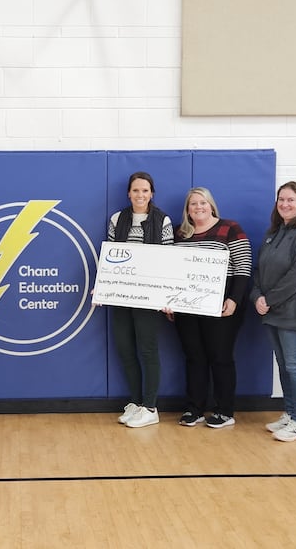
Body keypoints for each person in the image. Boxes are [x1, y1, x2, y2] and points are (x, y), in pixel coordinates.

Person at [168, 187, 251, 429]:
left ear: (211, 205)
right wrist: (169, 301)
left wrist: (234, 299)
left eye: (202, 202)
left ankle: (224, 411)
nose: (198, 207)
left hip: (221, 303)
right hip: (186, 305)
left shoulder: (230, 228)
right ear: (187, 210)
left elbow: (243, 267)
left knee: (220, 356)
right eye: (193, 204)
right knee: (194, 357)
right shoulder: (180, 234)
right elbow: (169, 270)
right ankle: (194, 409)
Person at [250, 182, 296, 442]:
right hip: (274, 312)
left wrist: (269, 299)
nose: (285, 204)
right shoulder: (274, 232)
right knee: (284, 366)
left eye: (291, 200)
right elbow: (259, 270)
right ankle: (290, 413)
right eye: (281, 199)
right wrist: (257, 296)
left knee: (295, 366)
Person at [107, 171, 173, 428]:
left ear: (151, 193)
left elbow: (168, 261)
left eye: (145, 190)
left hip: (149, 297)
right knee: (125, 348)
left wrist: (166, 296)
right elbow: (111, 257)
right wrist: (104, 288)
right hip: (122, 295)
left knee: (147, 349)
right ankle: (135, 403)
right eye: (136, 190)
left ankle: (150, 407)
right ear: (128, 193)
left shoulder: (162, 220)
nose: (140, 195)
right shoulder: (117, 219)